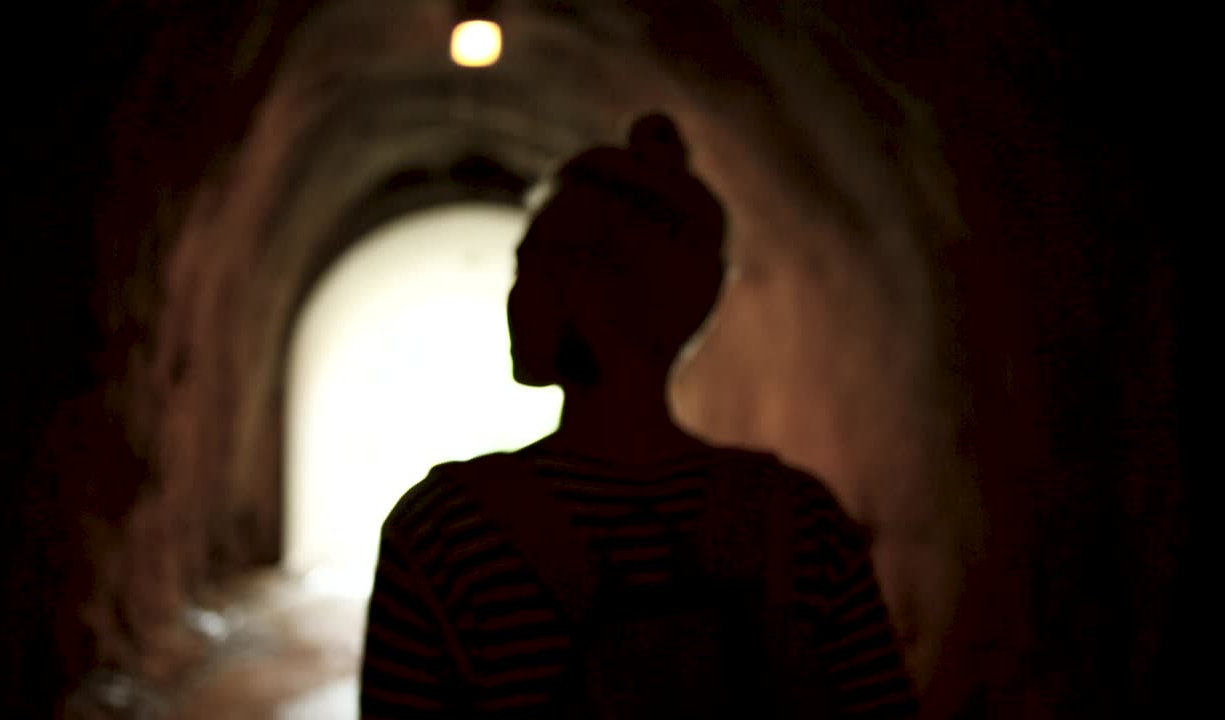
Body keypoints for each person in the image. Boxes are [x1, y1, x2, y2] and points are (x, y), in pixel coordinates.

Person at [359, 113, 919, 718]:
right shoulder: (805, 524)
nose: (514, 295)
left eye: (528, 265)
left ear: (584, 287)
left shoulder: (444, 531)